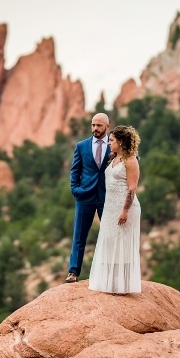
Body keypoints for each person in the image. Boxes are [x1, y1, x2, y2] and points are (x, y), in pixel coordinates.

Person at [88, 124, 141, 295]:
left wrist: (125, 211)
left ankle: (122, 286)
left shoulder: (131, 160)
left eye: (111, 140)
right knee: (110, 243)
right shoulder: (113, 158)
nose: (109, 143)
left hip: (124, 208)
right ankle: (110, 283)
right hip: (110, 208)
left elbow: (132, 188)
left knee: (123, 245)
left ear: (121, 141)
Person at [66, 112, 111, 282]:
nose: (95, 128)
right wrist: (75, 190)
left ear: (107, 126)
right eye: (93, 125)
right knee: (79, 236)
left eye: (99, 125)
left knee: (108, 236)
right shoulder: (81, 146)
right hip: (84, 196)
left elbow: (129, 159)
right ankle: (73, 272)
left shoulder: (114, 145)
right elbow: (75, 170)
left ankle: (107, 273)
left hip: (106, 197)